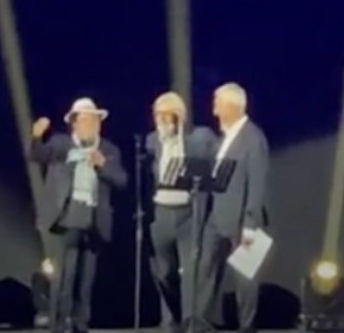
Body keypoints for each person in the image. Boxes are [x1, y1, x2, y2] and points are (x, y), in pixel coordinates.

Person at [30, 97, 127, 333]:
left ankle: (81, 322)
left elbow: (121, 181)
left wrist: (102, 165)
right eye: (83, 121)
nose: (88, 126)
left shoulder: (108, 150)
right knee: (65, 275)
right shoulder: (61, 144)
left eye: (92, 121)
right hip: (66, 217)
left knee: (86, 277)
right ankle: (61, 322)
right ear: (74, 124)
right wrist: (36, 137)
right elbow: (39, 154)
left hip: (94, 219)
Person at [196, 83, 269, 333]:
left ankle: (247, 326)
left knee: (245, 277)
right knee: (205, 269)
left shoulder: (253, 138)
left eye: (217, 104)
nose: (214, 110)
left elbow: (257, 182)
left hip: (243, 219)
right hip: (216, 216)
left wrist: (251, 223)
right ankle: (201, 323)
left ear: (232, 106)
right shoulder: (223, 139)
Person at [146, 92, 217, 333]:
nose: (162, 120)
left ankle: (191, 322)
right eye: (158, 115)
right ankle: (170, 320)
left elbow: (214, 162)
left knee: (191, 273)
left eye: (168, 115)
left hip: (188, 214)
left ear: (180, 117)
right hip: (161, 213)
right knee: (164, 272)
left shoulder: (199, 138)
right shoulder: (151, 142)